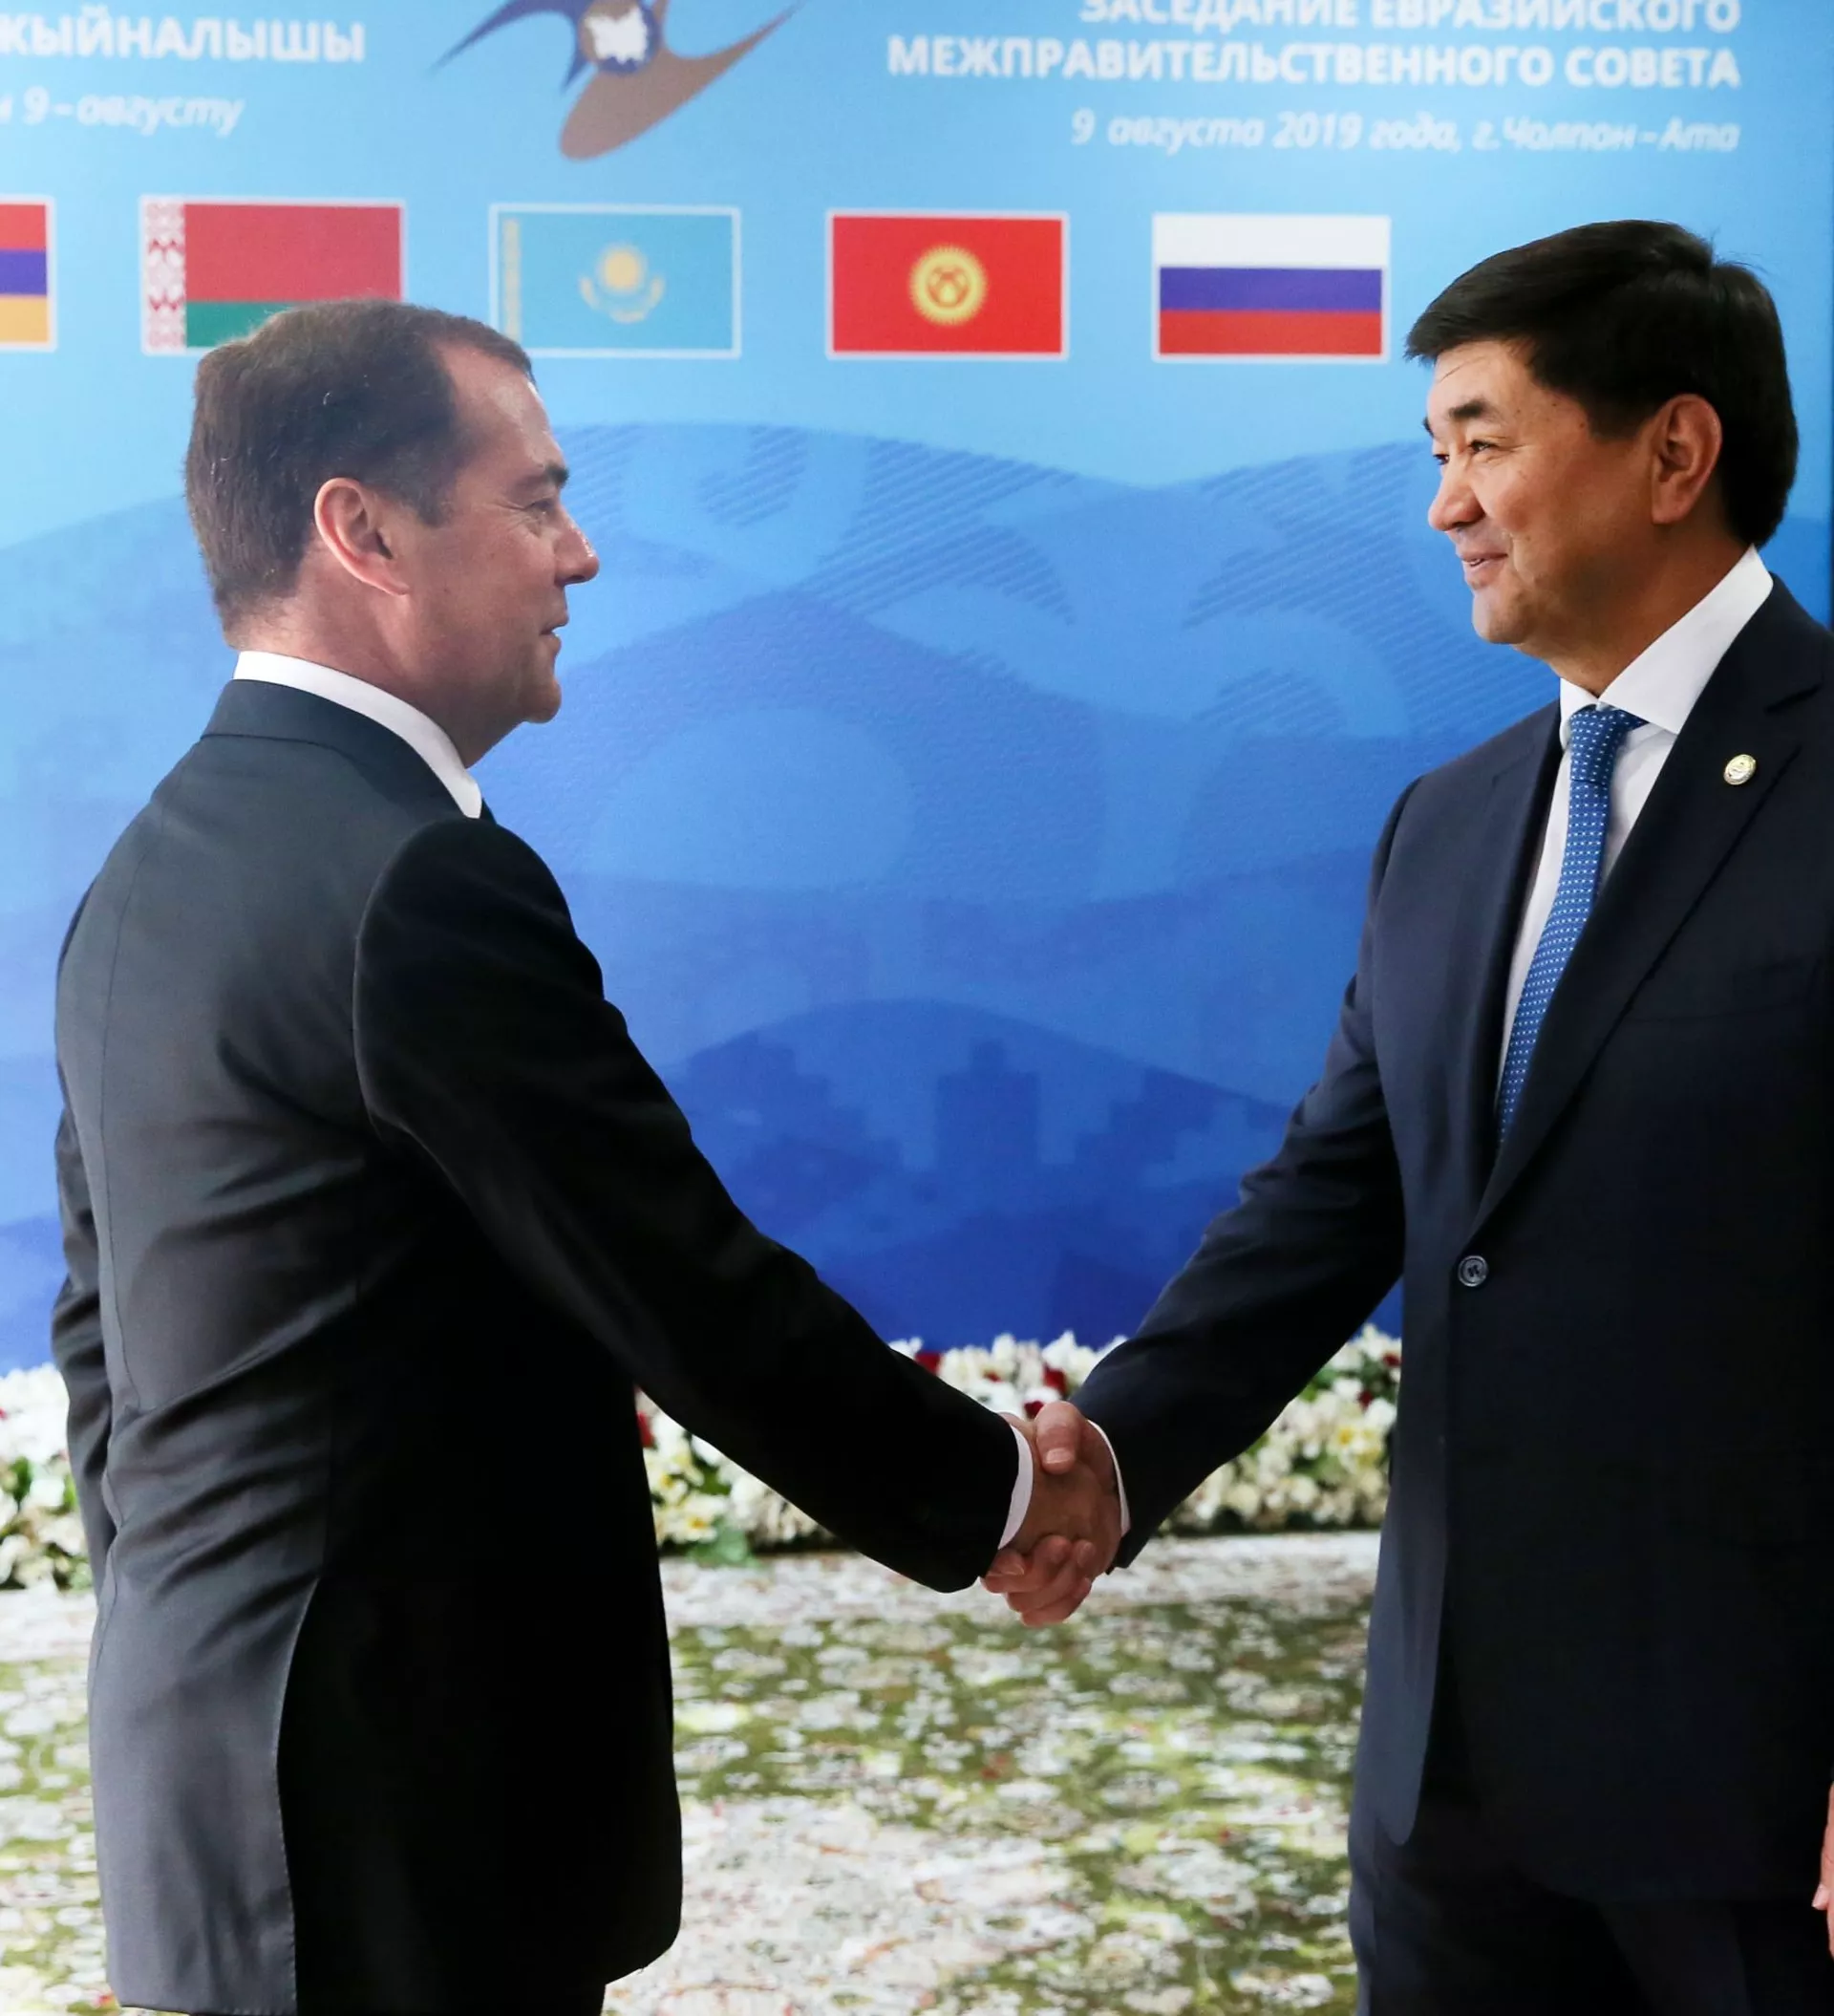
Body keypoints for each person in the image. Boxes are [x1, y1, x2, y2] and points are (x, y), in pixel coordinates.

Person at [49, 299, 1119, 2016]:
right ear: (363, 531)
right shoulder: (413, 882)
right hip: (396, 1837)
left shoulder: (149, 869)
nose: (583, 552)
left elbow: (107, 1337)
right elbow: (675, 1275)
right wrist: (1001, 1490)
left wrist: (201, 1644)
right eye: (537, 500)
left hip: (224, 1801)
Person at [988, 220, 1834, 2013]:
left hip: (1759, 1793)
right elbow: (1338, 1195)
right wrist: (1115, 1448)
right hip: (1452, 1792)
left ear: (1676, 452)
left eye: (1483, 442)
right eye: (1434, 452)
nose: (1445, 504)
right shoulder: (1449, 823)